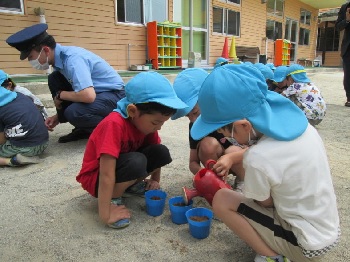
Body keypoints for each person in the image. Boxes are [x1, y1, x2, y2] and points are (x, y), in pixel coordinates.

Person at [190, 64, 340, 262]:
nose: (230, 139)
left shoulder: (259, 157)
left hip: (305, 244)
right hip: (327, 229)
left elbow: (265, 204)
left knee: (222, 200)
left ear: (244, 125)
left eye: (226, 132)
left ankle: (273, 257)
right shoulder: (305, 129)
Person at [76, 71, 187, 229]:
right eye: (155, 122)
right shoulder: (113, 124)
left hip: (122, 169)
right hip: (97, 179)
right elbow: (106, 174)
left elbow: (156, 151)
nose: (159, 127)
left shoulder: (144, 125)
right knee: (136, 161)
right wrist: (105, 213)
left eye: (162, 123)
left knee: (160, 151)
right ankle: (113, 198)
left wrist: (155, 179)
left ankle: (128, 186)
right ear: (133, 111)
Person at [6, 23, 126, 143]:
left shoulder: (72, 59)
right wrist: (58, 117)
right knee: (54, 79)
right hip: (100, 95)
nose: (31, 61)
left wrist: (60, 95)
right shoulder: (60, 61)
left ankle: (116, 131)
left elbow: (88, 96)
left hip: (115, 96)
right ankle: (83, 128)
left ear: (46, 50)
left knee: (74, 112)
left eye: (31, 56)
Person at [172, 68, 245, 191]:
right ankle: (217, 183)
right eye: (188, 116)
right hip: (217, 165)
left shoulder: (231, 113)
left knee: (232, 150)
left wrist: (231, 158)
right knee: (208, 145)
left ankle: (243, 180)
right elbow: (193, 162)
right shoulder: (194, 126)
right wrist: (204, 173)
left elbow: (255, 149)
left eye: (195, 112)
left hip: (242, 159)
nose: (193, 120)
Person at [0, 70, 49, 167]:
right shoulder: (20, 95)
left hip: (26, 148)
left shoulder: (2, 107)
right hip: (43, 142)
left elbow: (1, 141)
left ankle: (11, 161)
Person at [336, 2, 350, 107]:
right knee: (348, 75)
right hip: (348, 47)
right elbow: (338, 27)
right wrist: (347, 20)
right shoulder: (345, 7)